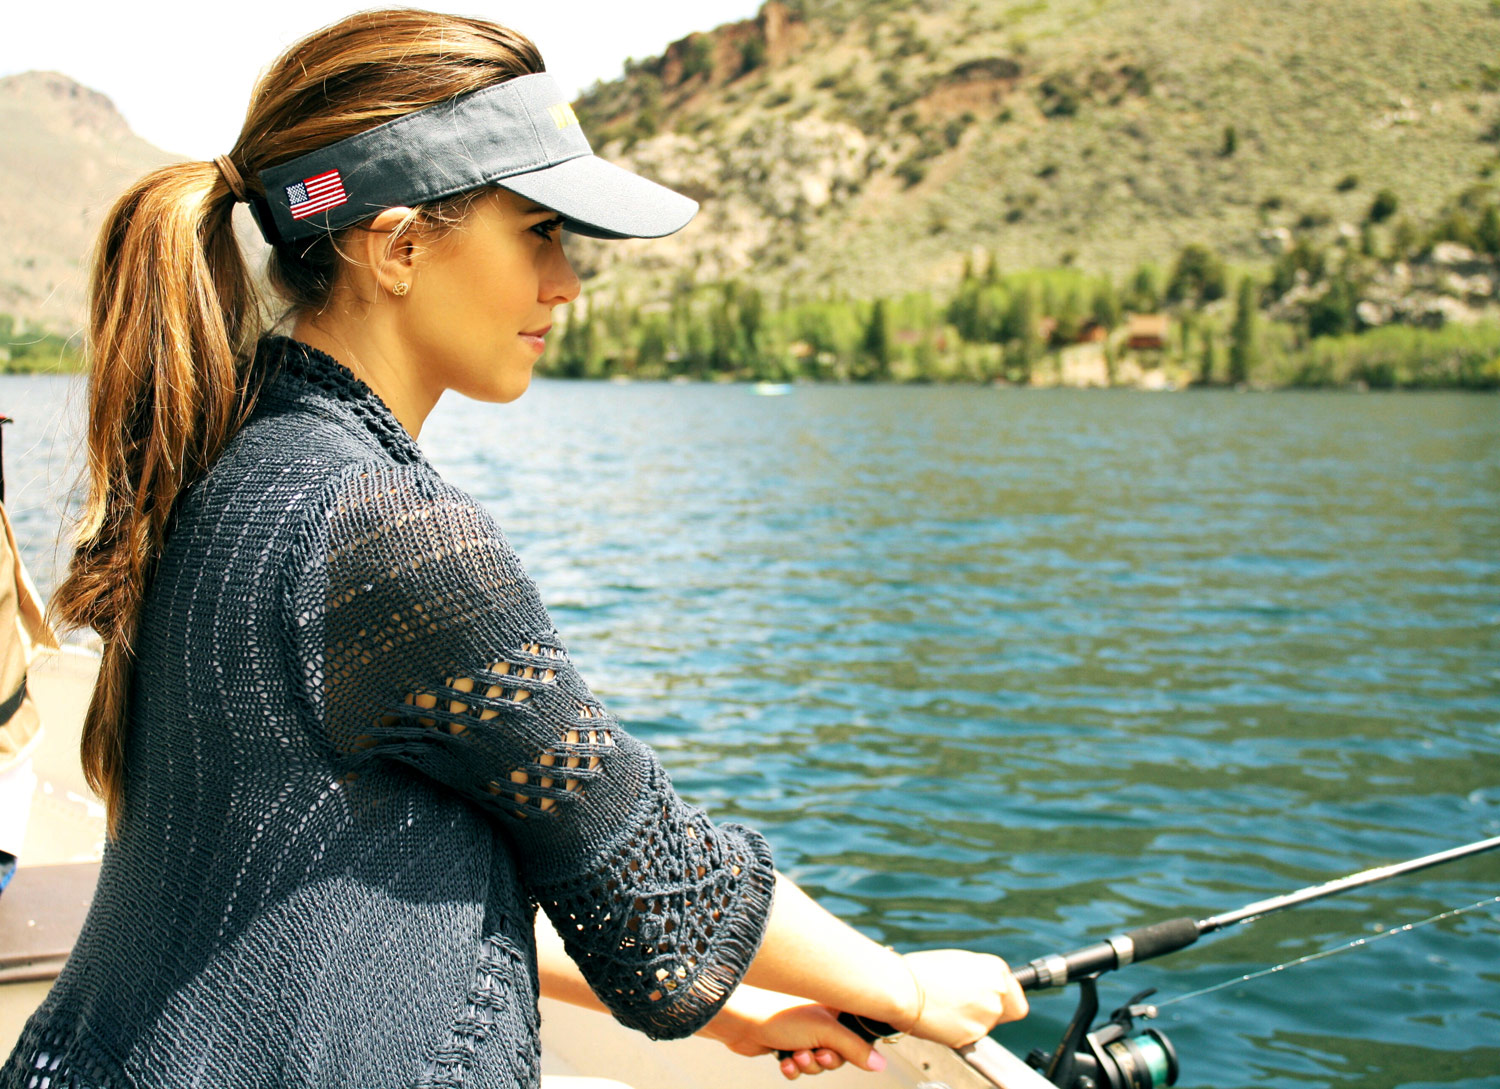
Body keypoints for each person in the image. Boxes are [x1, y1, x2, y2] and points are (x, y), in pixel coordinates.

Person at [8, 11, 1026, 1087]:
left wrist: (737, 1017)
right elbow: (655, 863)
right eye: (539, 230)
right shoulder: (383, 528)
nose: (567, 282)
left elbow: (395, 884)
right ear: (397, 245)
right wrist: (912, 993)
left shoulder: (230, 461)